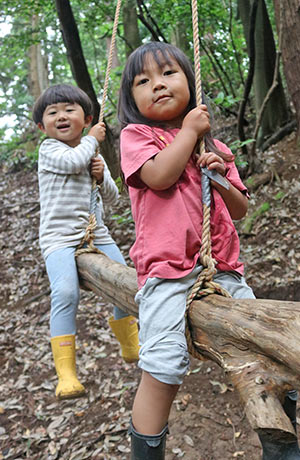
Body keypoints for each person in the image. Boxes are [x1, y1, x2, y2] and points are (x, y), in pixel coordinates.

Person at [117, 42, 300, 460]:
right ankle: (147, 452)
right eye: (143, 81)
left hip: (223, 269)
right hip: (167, 270)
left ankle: (281, 443)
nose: (157, 85)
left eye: (168, 74)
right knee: (163, 364)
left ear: (189, 83)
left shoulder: (213, 147)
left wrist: (218, 174)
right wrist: (188, 134)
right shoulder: (136, 136)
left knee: (268, 345)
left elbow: (239, 208)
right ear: (132, 101)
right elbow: (160, 176)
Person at [32, 84, 139, 400]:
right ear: (42, 126)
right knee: (65, 292)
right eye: (53, 113)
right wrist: (93, 140)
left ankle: (129, 343)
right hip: (58, 238)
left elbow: (113, 196)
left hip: (95, 234)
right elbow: (71, 162)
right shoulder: (50, 150)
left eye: (69, 110)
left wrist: (100, 174)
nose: (61, 116)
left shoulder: (90, 154)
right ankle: (66, 373)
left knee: (123, 282)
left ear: (86, 117)